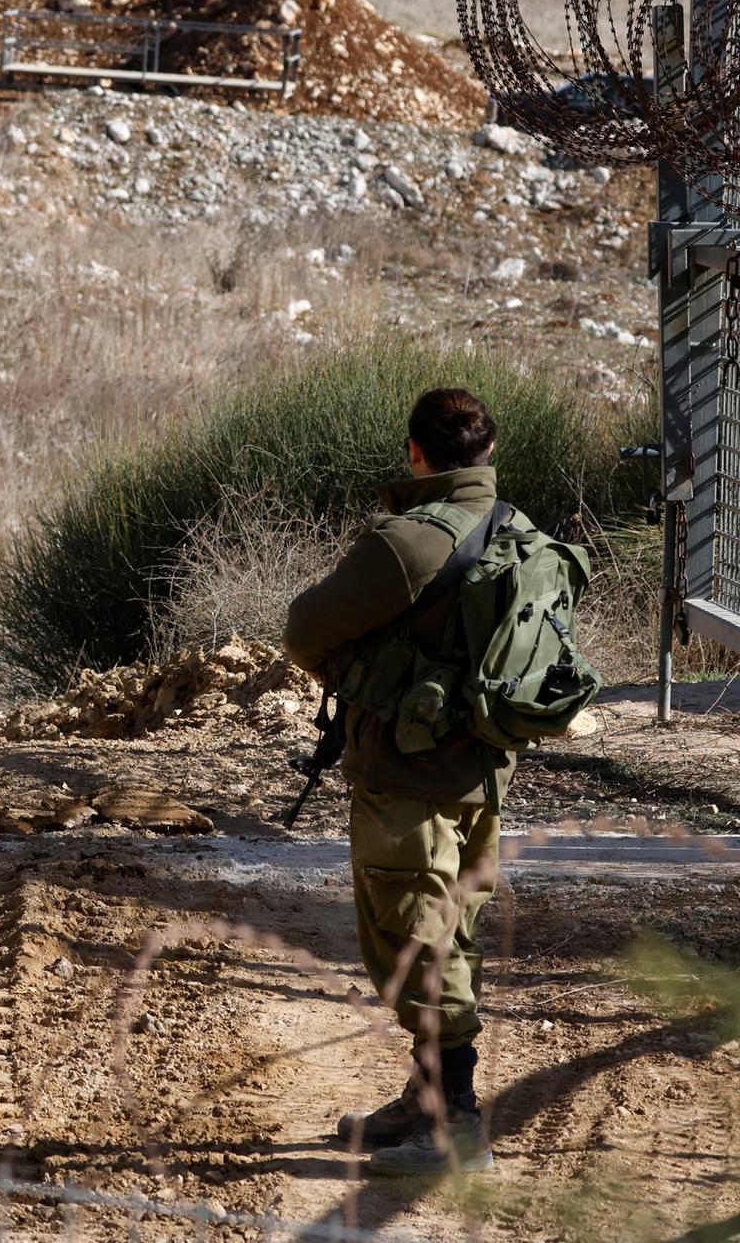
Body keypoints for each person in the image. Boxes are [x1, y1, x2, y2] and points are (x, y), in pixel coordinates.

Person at [283, 387, 509, 1179]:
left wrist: (369, 683)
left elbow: (303, 631)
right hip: (482, 771)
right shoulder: (525, 537)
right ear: (486, 452)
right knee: (454, 934)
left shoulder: (408, 541)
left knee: (418, 938)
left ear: (416, 454)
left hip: (407, 774)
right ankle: (425, 1104)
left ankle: (454, 1130)